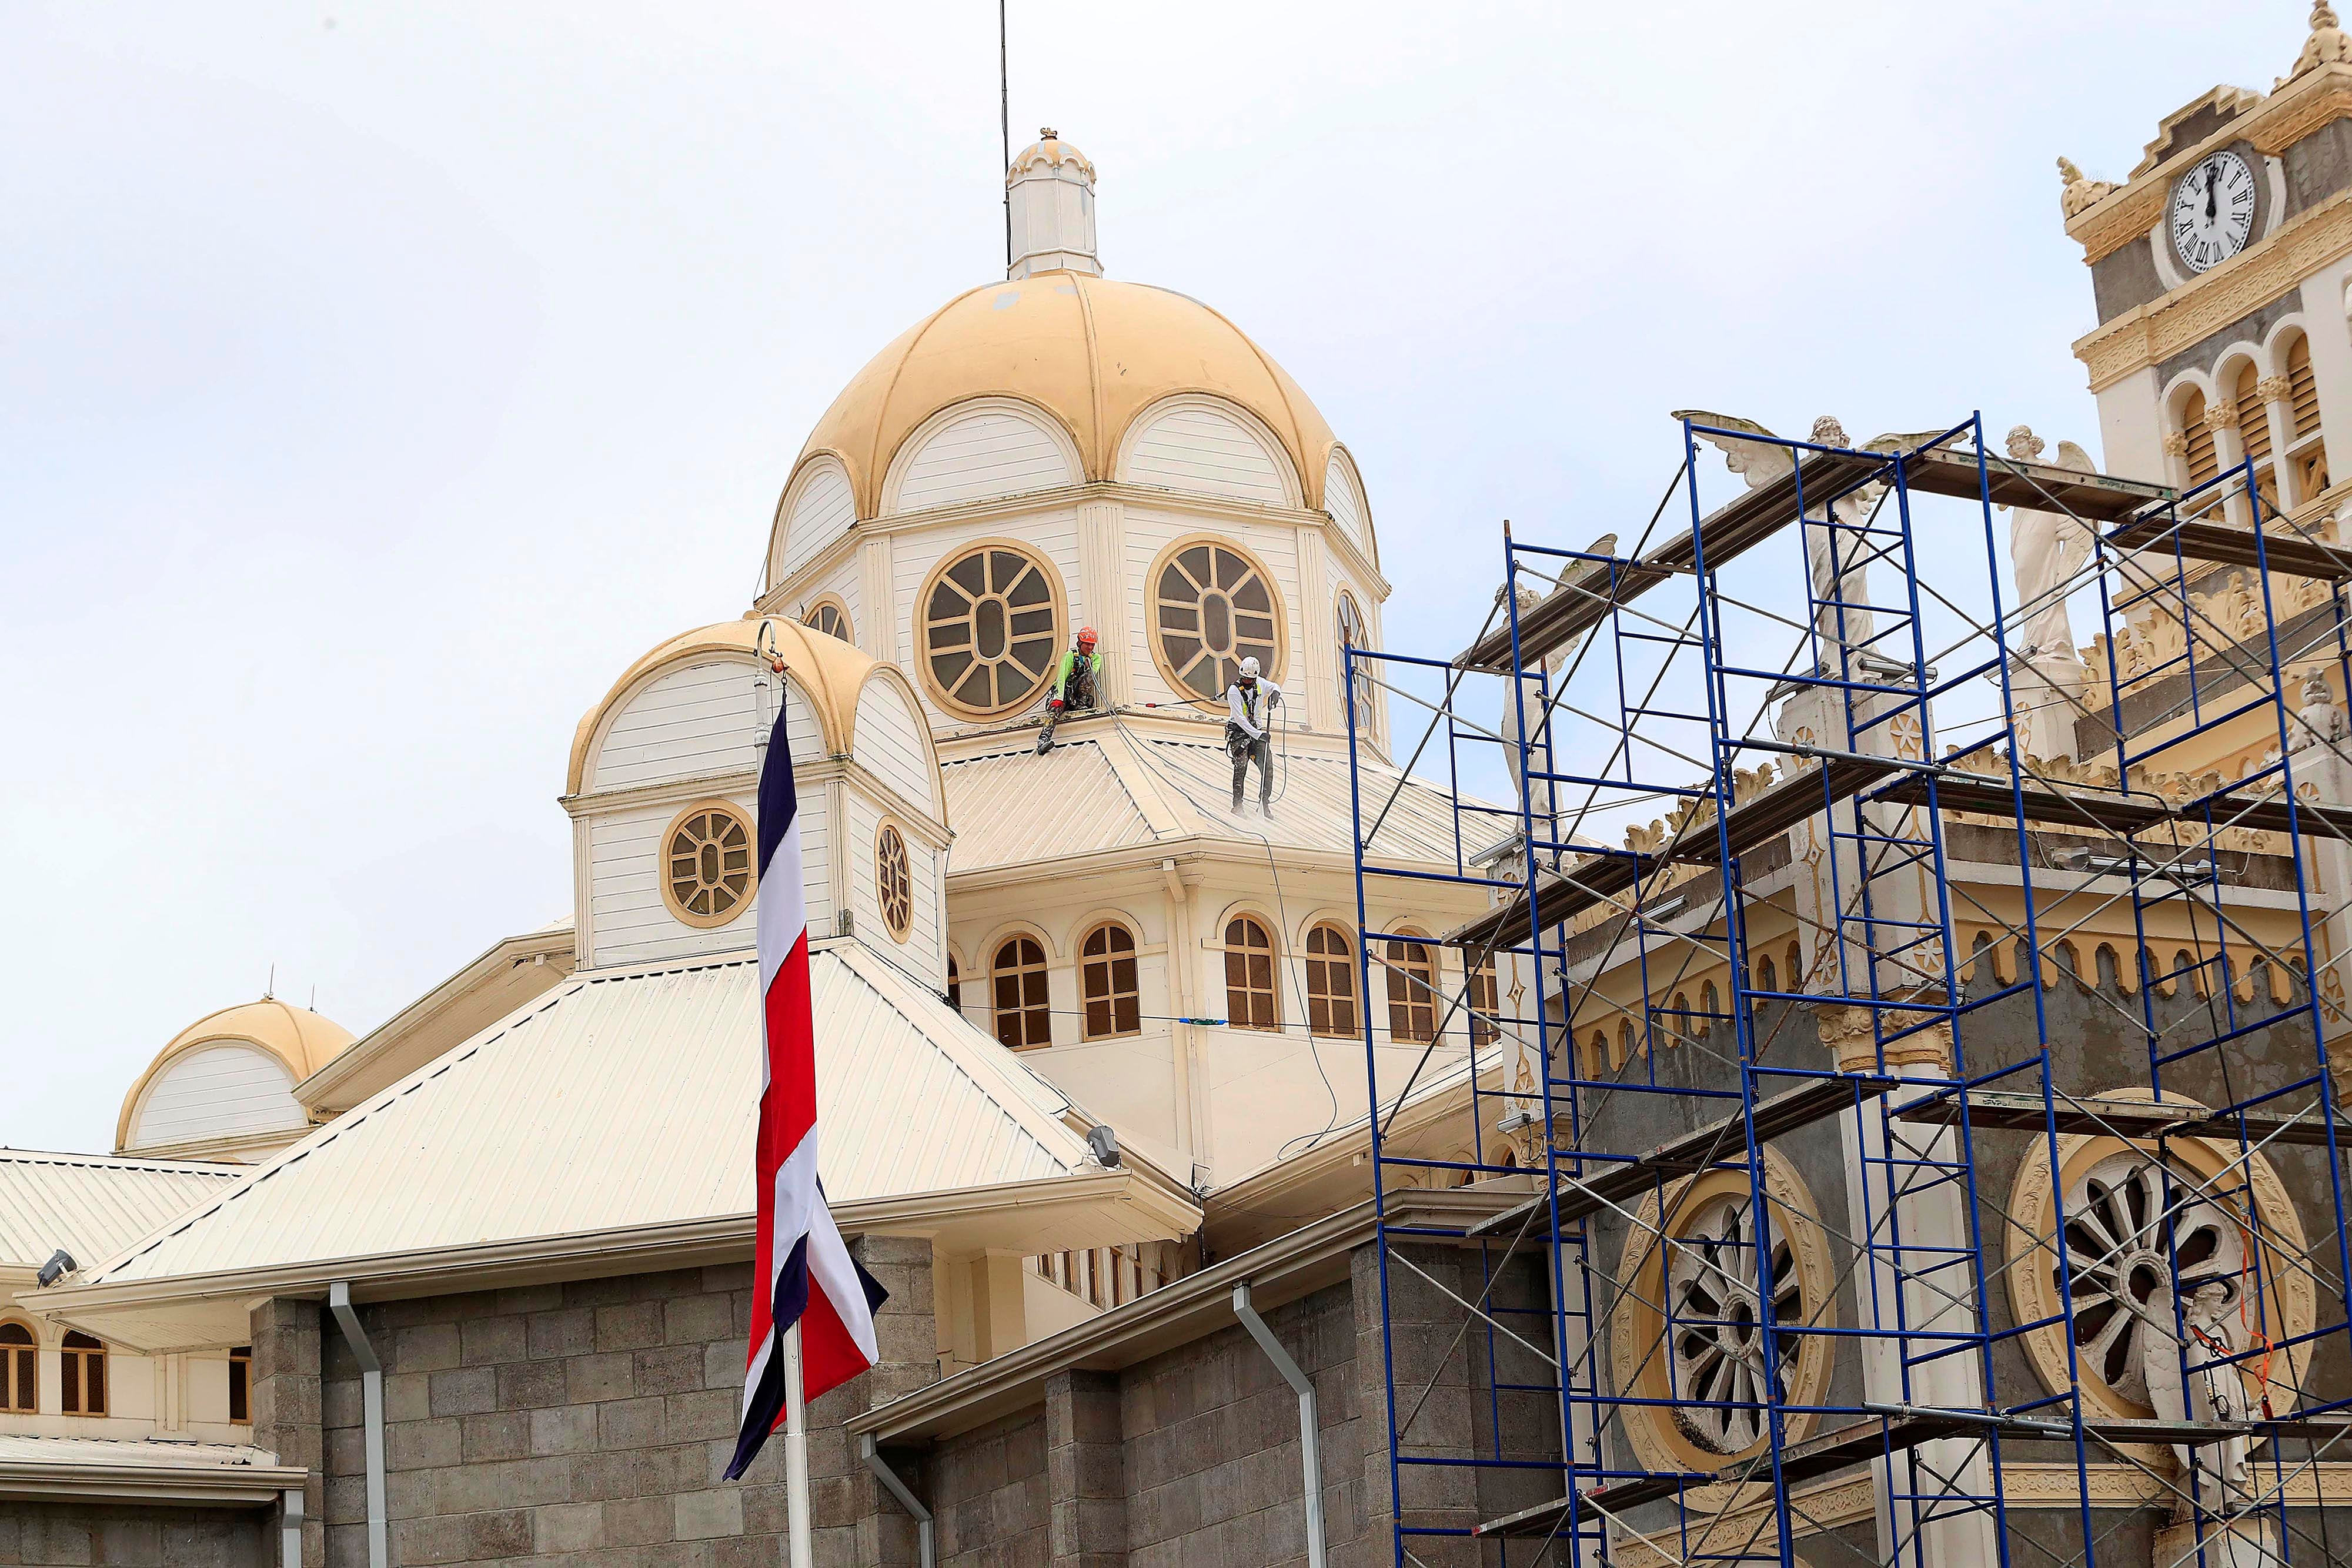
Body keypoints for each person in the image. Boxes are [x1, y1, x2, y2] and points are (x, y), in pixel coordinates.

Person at [1224, 656, 1282, 815]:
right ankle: (1238, 805)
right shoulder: (1234, 691)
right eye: (1245, 678)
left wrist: (1276, 693)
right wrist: (1258, 735)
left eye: (1250, 679)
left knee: (1268, 767)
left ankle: (1264, 804)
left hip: (1257, 732)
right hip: (1239, 733)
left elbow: (1274, 685)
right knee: (1241, 766)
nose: (1247, 681)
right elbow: (1240, 719)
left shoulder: (1260, 684)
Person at [1035, 627, 1102, 753]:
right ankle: (1043, 740)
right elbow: (1062, 677)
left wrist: (1088, 667)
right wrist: (1058, 699)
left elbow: (1091, 677)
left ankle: (1081, 704)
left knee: (1089, 676)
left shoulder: (1096, 658)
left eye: (1092, 645)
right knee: (1055, 712)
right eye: (1087, 644)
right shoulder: (1070, 656)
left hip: (1078, 696)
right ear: (1080, 643)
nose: (1090, 648)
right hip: (1065, 693)